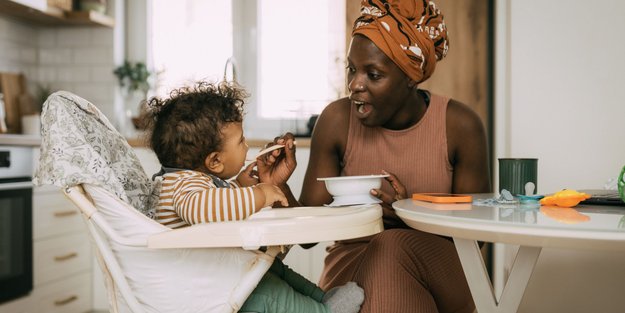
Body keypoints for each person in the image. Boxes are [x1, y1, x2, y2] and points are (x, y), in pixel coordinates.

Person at [297, 0, 491, 312]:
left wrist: (408, 213)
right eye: (352, 69)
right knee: (384, 264)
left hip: (438, 270)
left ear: (411, 77)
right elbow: (307, 236)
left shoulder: (460, 126)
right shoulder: (335, 121)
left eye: (373, 74)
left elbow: (477, 237)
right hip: (351, 271)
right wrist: (275, 188)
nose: (354, 85)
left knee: (390, 246)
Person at [142, 81, 364, 313]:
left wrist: (239, 185)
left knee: (268, 267)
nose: (247, 147)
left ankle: (322, 300)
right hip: (204, 289)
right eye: (241, 141)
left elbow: (212, 205)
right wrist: (257, 194)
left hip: (216, 279)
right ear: (215, 161)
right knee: (265, 292)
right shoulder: (182, 185)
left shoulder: (191, 182)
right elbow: (199, 210)